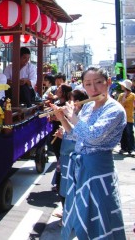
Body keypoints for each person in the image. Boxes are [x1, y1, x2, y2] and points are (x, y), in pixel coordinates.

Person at [50, 66, 126, 239]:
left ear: (108, 83)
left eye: (98, 83)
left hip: (99, 171)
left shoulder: (115, 110)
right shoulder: (88, 106)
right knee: (81, 215)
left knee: (101, 217)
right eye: (88, 84)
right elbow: (78, 136)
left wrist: (72, 116)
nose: (93, 88)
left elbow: (92, 137)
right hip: (81, 168)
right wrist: (62, 118)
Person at [54, 89, 88, 225]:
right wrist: (63, 121)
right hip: (66, 156)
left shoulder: (83, 115)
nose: (69, 102)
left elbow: (79, 135)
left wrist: (66, 121)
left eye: (72, 100)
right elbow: (71, 132)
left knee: (72, 188)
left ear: (78, 102)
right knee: (63, 186)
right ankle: (67, 214)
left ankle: (72, 219)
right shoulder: (76, 114)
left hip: (75, 159)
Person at [49, 83, 72, 193]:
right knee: (59, 158)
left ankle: (60, 184)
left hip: (63, 134)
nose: (56, 89)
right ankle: (59, 183)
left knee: (61, 158)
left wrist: (57, 118)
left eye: (59, 89)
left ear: (63, 92)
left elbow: (69, 119)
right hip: (55, 132)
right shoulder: (57, 103)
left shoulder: (67, 105)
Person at [117, 79, 135, 156]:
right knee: (123, 133)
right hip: (122, 118)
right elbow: (118, 105)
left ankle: (131, 149)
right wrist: (123, 99)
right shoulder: (121, 95)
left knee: (130, 133)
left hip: (129, 117)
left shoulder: (133, 96)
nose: (121, 86)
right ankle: (123, 148)